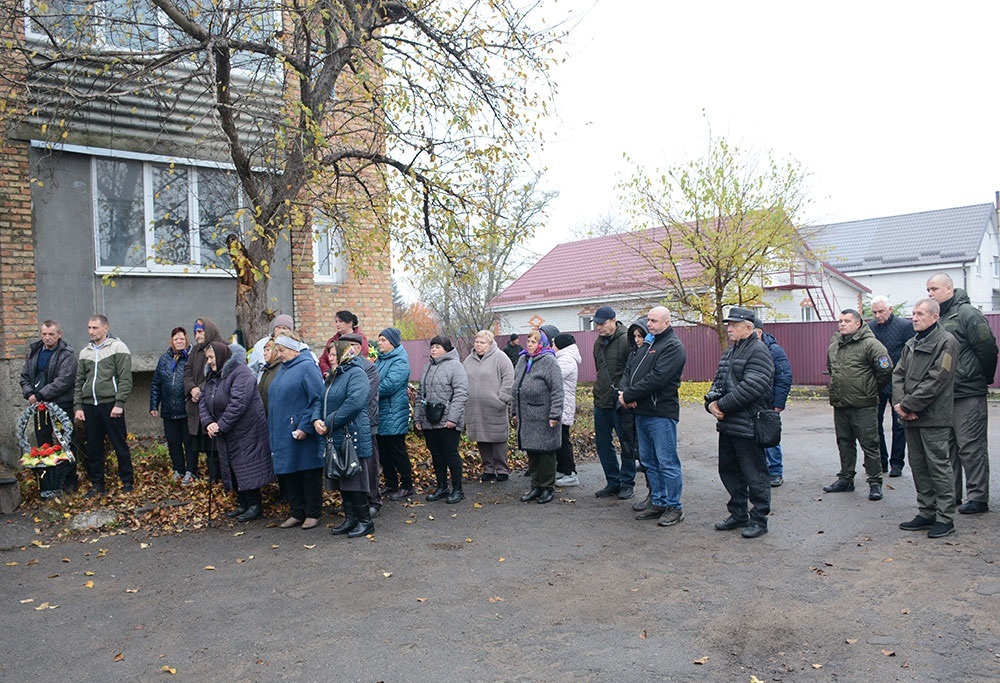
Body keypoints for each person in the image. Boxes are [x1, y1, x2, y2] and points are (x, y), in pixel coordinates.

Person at [926, 273, 998, 515]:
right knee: (948, 449)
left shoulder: (967, 314)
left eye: (934, 288)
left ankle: (978, 497)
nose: (930, 293)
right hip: (944, 394)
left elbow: (988, 348)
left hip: (967, 392)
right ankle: (951, 495)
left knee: (971, 446)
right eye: (928, 290)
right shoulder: (939, 317)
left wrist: (979, 378)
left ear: (949, 289)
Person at [893, 298, 960, 538]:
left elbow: (938, 379)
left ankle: (944, 518)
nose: (914, 317)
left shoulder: (947, 342)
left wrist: (910, 404)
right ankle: (926, 512)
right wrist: (901, 405)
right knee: (919, 466)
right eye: (913, 313)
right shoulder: (911, 343)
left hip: (933, 417)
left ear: (934, 317)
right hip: (911, 416)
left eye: (920, 313)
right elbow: (898, 374)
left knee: (939, 467)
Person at [705, 307, 774, 539]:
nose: (729, 328)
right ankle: (738, 513)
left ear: (749, 327)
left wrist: (721, 406)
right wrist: (710, 403)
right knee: (730, 471)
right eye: (729, 324)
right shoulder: (729, 352)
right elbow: (718, 382)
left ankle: (759, 518)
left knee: (755, 474)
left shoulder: (759, 351)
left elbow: (752, 388)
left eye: (734, 325)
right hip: (728, 425)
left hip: (749, 425)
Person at [619, 306, 687, 527]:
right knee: (649, 461)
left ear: (667, 323)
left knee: (667, 462)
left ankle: (674, 507)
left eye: (654, 321)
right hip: (641, 410)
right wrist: (626, 394)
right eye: (648, 320)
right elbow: (631, 371)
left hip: (660, 413)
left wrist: (629, 394)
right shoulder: (649, 343)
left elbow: (658, 378)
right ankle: (657, 501)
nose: (649, 324)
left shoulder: (672, 347)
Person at [199, 341, 274, 522]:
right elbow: (203, 400)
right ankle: (243, 503)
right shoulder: (212, 376)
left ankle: (255, 505)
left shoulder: (242, 373)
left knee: (246, 465)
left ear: (221, 355)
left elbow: (238, 403)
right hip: (227, 430)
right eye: (207, 358)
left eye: (211, 357)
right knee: (233, 467)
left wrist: (220, 425)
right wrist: (208, 422)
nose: (208, 361)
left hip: (246, 429)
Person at [823, 309, 893, 501]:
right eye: (840, 320)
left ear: (858, 324)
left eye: (847, 321)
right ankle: (846, 479)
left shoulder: (871, 344)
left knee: (870, 444)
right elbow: (832, 369)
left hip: (864, 404)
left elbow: (885, 371)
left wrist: (869, 389)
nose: (842, 324)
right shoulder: (834, 345)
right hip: (841, 403)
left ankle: (875, 482)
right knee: (844, 442)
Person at [314, 340, 376, 537]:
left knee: (355, 479)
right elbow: (320, 400)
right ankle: (351, 519)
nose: (330, 359)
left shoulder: (356, 373)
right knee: (342, 479)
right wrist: (316, 420)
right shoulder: (333, 376)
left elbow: (355, 403)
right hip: (335, 435)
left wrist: (329, 422)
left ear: (343, 354)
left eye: (333, 355)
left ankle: (365, 521)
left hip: (352, 435)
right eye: (329, 355)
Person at [267, 332, 325, 529]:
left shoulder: (308, 367)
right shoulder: (283, 369)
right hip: (283, 431)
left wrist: (305, 426)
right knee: (289, 473)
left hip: (301, 432)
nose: (279, 354)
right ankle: (296, 512)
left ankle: (313, 512)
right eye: (277, 350)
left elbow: (317, 398)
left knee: (308, 473)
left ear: (293, 349)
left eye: (281, 350)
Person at [73, 315, 134, 497]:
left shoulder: (118, 347)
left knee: (119, 445)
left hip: (111, 405)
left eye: (95, 328)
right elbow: (79, 382)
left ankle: (127, 482)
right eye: (89, 328)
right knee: (93, 448)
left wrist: (119, 403)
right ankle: (97, 485)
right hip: (90, 406)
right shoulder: (85, 352)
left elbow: (125, 379)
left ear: (105, 328)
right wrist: (78, 406)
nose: (91, 331)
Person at [19, 320, 78, 495]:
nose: (47, 337)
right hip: (39, 407)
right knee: (43, 443)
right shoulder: (34, 352)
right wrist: (30, 393)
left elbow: (64, 381)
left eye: (51, 334)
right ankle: (47, 483)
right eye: (44, 334)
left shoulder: (67, 354)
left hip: (61, 405)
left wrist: (40, 395)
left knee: (65, 443)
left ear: (59, 334)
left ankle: (69, 481)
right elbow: (24, 377)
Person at [414, 336, 469, 504]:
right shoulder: (427, 367)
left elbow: (461, 393)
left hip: (447, 420)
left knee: (450, 454)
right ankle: (442, 487)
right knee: (436, 455)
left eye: (437, 347)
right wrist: (418, 418)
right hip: (429, 419)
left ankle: (457, 489)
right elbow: (419, 394)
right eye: (432, 347)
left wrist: (453, 418)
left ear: (446, 348)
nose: (433, 350)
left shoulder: (456, 366)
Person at [512, 329, 563, 504]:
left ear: (542, 344)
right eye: (528, 342)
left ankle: (547, 488)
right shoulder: (522, 359)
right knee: (532, 451)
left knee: (546, 453)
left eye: (534, 342)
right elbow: (516, 387)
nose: (530, 345)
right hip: (526, 415)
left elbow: (557, 390)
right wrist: (514, 411)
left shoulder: (549, 361)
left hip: (544, 415)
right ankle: (535, 486)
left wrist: (555, 414)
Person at [591, 305, 636, 500]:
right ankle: (613, 481)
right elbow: (599, 371)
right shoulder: (598, 344)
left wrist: (627, 396)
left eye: (602, 324)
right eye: (596, 324)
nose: (598, 328)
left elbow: (632, 371)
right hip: (601, 401)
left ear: (613, 321)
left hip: (621, 402)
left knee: (626, 443)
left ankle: (627, 483)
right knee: (603, 444)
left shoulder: (628, 340)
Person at [869, 295, 914, 477]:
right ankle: (881, 461)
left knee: (899, 424)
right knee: (874, 424)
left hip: (898, 383)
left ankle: (897, 463)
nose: (878, 315)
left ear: (890, 309)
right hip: (877, 383)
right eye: (874, 312)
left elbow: (911, 354)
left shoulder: (905, 327)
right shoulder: (870, 328)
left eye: (881, 311)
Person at [340, 332, 383, 518]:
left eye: (349, 346)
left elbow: (362, 397)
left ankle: (374, 500)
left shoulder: (368, 368)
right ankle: (355, 501)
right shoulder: (342, 368)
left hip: (366, 422)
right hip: (346, 424)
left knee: (370, 464)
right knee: (351, 464)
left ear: (357, 348)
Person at [463, 330, 515, 482]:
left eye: (482, 342)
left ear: (490, 344)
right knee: (482, 439)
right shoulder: (468, 360)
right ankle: (488, 468)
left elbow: (509, 378)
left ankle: (502, 469)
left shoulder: (500, 357)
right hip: (475, 407)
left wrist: (502, 398)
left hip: (495, 406)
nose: (478, 345)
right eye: (477, 342)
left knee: (497, 439)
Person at [150, 327, 195, 484]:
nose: (179, 341)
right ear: (172, 341)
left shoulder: (191, 357)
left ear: (186, 339)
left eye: (182, 338)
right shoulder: (164, 359)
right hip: (169, 409)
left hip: (186, 409)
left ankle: (191, 470)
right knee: (173, 442)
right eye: (176, 339)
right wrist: (154, 405)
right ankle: (179, 469)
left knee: (189, 441)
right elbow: (156, 383)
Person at [374, 328, 415, 500]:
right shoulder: (380, 360)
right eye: (379, 340)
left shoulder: (400, 360)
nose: (380, 343)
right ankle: (391, 483)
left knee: (397, 451)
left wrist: (369, 391)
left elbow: (389, 385)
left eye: (383, 340)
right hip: (381, 412)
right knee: (384, 452)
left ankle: (407, 485)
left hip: (393, 412)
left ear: (392, 342)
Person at [753, 318, 792, 487]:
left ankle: (775, 471)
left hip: (768, 401)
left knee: (770, 436)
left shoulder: (774, 350)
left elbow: (784, 376)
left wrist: (778, 402)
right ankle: (759, 472)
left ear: (758, 332)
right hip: (751, 402)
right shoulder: (742, 348)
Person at [183, 318, 223, 481]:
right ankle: (211, 478)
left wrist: (200, 389)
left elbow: (217, 372)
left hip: (212, 405)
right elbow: (187, 372)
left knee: (215, 448)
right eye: (195, 332)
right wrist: (191, 388)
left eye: (200, 331)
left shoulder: (221, 348)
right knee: (204, 448)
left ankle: (218, 480)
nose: (197, 335)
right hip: (196, 406)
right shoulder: (195, 351)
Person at [553, 333, 581, 487]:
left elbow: (554, 377)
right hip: (562, 404)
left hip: (563, 405)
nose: (552, 347)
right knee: (559, 439)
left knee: (563, 440)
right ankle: (562, 469)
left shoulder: (566, 360)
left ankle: (571, 473)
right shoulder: (563, 358)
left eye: (554, 344)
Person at [319, 310, 369, 378]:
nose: (337, 324)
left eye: (340, 321)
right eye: (336, 322)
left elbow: (362, 357)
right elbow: (323, 359)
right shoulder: (332, 340)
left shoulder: (361, 339)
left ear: (350, 323)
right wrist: (328, 372)